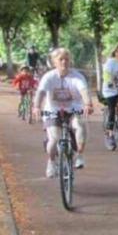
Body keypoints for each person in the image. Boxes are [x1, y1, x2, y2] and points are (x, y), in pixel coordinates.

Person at [33, 48, 93, 178]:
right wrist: (37, 106)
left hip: (73, 109)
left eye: (67, 59)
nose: (64, 62)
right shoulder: (49, 77)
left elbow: (83, 90)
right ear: (54, 62)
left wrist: (88, 104)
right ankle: (51, 162)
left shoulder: (77, 76)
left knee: (80, 124)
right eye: (60, 59)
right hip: (53, 111)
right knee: (54, 139)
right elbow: (41, 92)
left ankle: (80, 156)